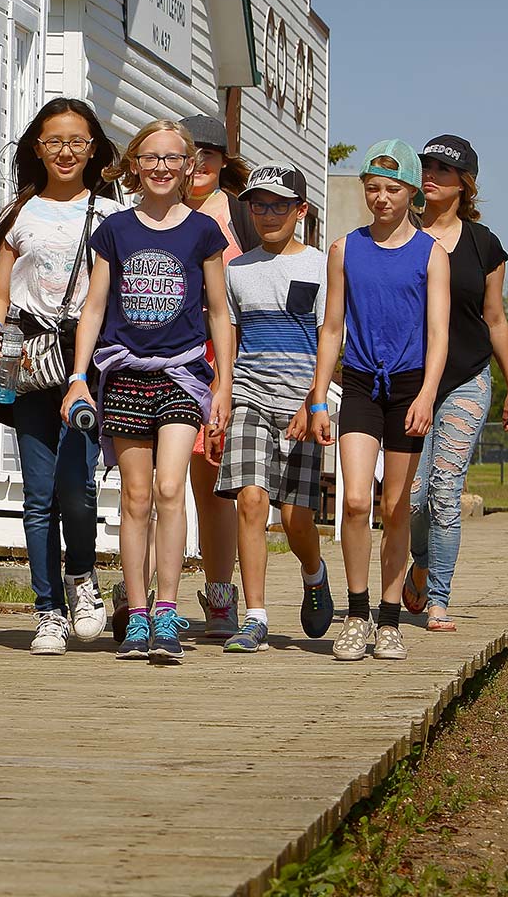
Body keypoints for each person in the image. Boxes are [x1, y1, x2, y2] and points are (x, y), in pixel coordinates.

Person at [63, 121, 232, 665]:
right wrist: (79, 376)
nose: (161, 167)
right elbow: (94, 307)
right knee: (135, 497)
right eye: (151, 157)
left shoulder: (203, 231)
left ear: (188, 166)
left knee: (169, 487)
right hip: (125, 373)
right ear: (135, 164)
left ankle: (167, 610)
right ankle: (136, 614)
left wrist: (224, 383)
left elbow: (219, 311)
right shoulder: (115, 229)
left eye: (172, 158)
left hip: (182, 374)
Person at [293, 140, 448, 664]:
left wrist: (427, 394)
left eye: (393, 189)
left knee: (396, 506)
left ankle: (390, 619)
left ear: (411, 193)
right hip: (360, 384)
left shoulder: (431, 254)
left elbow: (438, 333)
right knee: (357, 502)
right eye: (373, 188)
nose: (382, 198)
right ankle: (356, 615)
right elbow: (331, 327)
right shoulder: (345, 249)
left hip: (409, 388)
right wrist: (318, 397)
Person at [0, 99, 121, 655]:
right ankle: (47, 611)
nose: (66, 152)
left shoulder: (111, 215)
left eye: (77, 142)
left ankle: (82, 578)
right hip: (27, 358)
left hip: (86, 360)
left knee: (78, 485)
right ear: (37, 150)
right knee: (38, 494)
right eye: (54, 142)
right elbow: (0, 292)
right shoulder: (19, 213)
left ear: (93, 150)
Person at [403, 135, 508, 632]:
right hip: (411, 380)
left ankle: (439, 600)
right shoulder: (402, 232)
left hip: (467, 378)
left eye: (443, 170)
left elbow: (494, 317)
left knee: (446, 491)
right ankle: (422, 563)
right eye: (426, 166)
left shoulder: (484, 244)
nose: (430, 175)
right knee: (412, 497)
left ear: (464, 184)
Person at [216, 164, 336, 653]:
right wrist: (223, 393)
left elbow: (331, 338)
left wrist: (315, 400)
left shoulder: (322, 267)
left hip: (302, 404)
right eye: (259, 205)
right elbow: (229, 334)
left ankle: (314, 572)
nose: (267, 214)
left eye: (279, 205)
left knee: (295, 519)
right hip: (249, 397)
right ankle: (256, 617)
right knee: (250, 500)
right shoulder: (236, 269)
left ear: (300, 210)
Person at [177, 112, 257, 640]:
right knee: (157, 484)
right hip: (164, 358)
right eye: (192, 154)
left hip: (224, 360)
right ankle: (142, 598)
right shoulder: (156, 211)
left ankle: (221, 595)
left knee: (213, 485)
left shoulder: (243, 215)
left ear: (224, 160)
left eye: (210, 154)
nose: (201, 164)